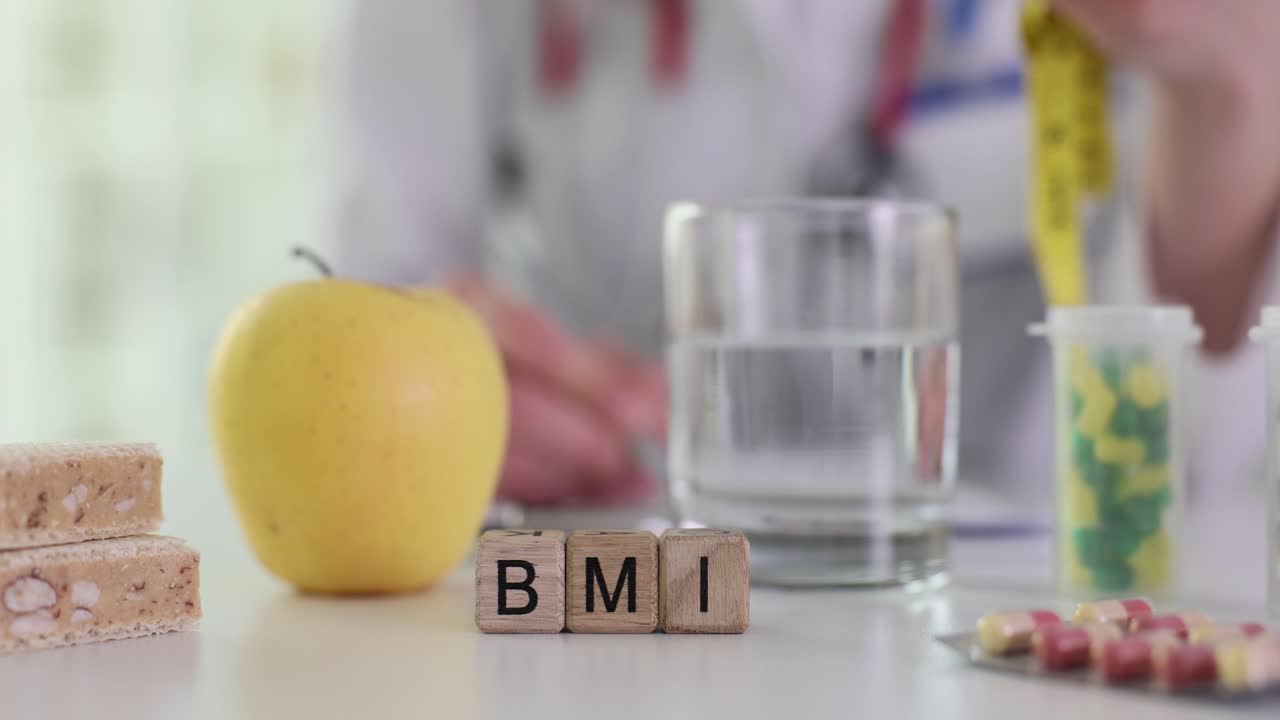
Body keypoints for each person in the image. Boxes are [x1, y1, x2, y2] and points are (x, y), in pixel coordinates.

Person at [334, 0, 1280, 507]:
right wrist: (433, 398)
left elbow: (1202, 470)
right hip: (625, 627)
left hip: (1018, 634)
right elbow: (355, 320)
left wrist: (1236, 77)